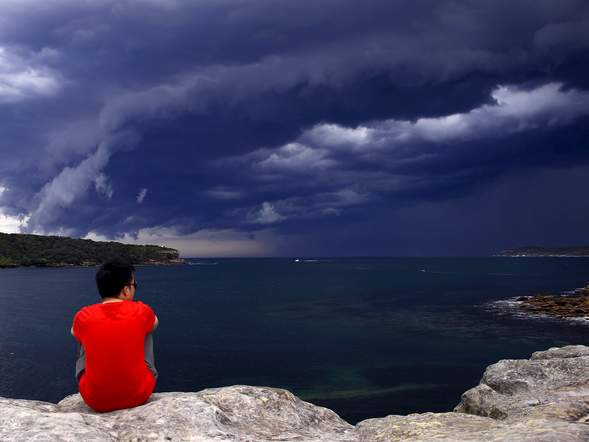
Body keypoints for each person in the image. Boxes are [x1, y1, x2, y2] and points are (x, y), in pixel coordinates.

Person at [71, 260, 159, 412]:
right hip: (138, 395)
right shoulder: (141, 310)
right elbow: (155, 323)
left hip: (95, 400)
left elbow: (73, 332)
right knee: (147, 329)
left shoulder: (84, 315)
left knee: (83, 335)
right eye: (134, 286)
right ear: (126, 290)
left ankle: (100, 383)